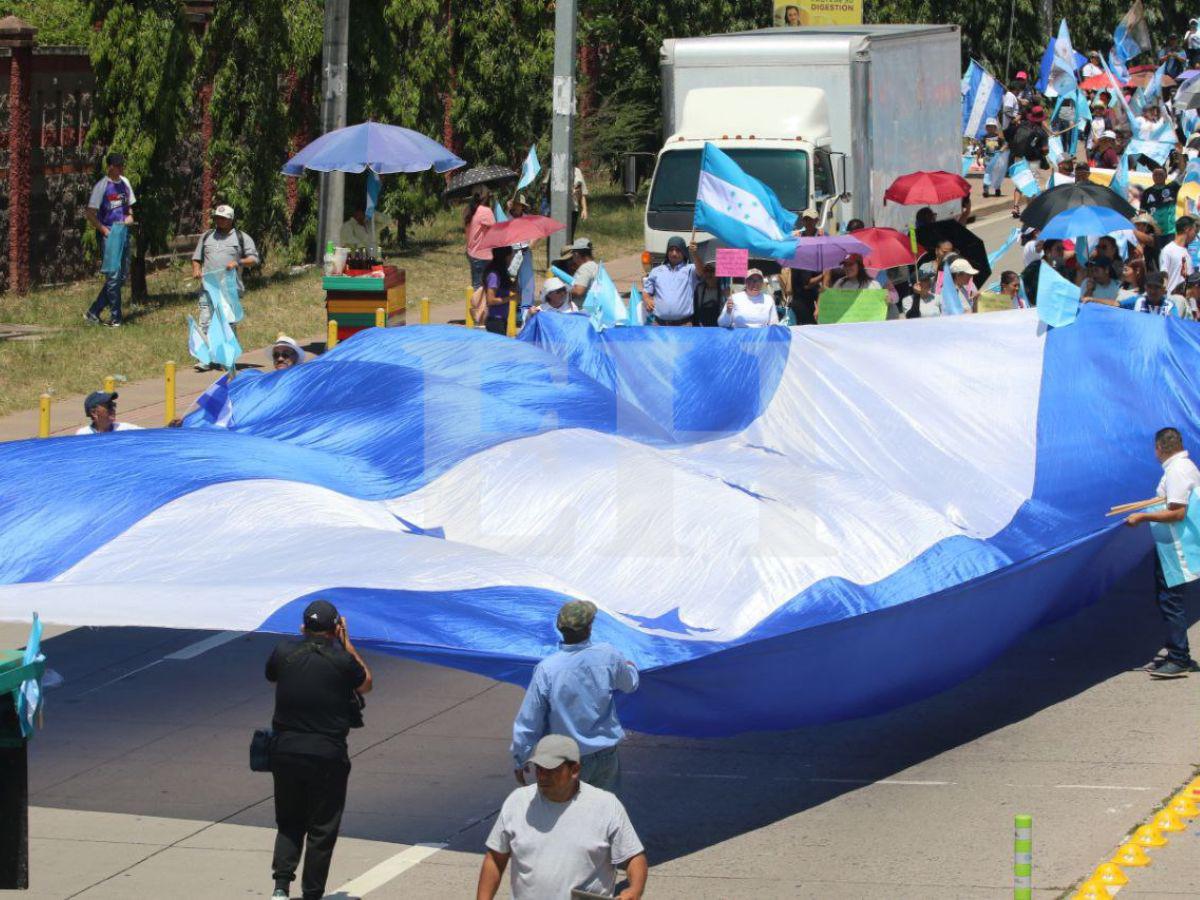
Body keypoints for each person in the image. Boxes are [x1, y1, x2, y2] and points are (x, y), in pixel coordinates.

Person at [265, 599, 372, 900]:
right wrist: (347, 644)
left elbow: (273, 676)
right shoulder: (341, 660)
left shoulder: (284, 652)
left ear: (303, 626)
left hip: (285, 750)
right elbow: (366, 684)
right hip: (327, 754)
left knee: (289, 821)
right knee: (322, 829)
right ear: (335, 627)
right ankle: (311, 893)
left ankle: (281, 887)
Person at [478, 734, 648, 900]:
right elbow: (495, 859)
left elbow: (634, 858)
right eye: (539, 769)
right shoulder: (518, 802)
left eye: (551, 770)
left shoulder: (606, 806)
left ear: (574, 770)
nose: (542, 776)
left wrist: (635, 889)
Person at [510, 600, 639, 794]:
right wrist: (631, 668)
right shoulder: (608, 656)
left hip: (567, 760)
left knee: (570, 818)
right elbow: (629, 684)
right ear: (589, 629)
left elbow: (530, 720)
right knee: (604, 815)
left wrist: (521, 758)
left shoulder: (548, 669)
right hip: (605, 755)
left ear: (560, 629)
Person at [1124, 428, 1200, 678]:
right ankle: (1177, 652)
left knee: (1171, 601)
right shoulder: (1183, 466)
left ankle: (1179, 657)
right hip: (1171, 545)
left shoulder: (1177, 470)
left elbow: (1177, 512)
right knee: (1168, 599)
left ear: (1159, 448)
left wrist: (1143, 516)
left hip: (1177, 547)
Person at [191, 204, 259, 370]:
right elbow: (196, 258)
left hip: (229, 289)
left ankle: (227, 358)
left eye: (223, 218)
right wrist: (196, 269)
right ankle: (206, 359)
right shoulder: (207, 236)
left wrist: (238, 262)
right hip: (208, 288)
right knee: (206, 321)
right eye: (217, 218)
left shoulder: (241, 237)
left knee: (227, 323)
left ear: (231, 220)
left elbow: (254, 259)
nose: (219, 221)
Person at [84, 152, 136, 328]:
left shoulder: (125, 183)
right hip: (110, 234)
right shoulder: (102, 186)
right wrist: (105, 230)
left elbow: (130, 212)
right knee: (113, 276)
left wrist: (128, 221)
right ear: (110, 166)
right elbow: (90, 213)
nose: (121, 168)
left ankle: (93, 311)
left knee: (122, 277)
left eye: (122, 165)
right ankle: (116, 318)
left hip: (124, 232)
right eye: (118, 165)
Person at [642, 235, 699, 325]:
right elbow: (646, 291)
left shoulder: (690, 270)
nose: (674, 254)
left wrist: (695, 254)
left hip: (683, 326)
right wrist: (647, 299)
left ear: (684, 252)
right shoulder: (656, 271)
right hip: (659, 324)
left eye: (678, 250)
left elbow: (702, 272)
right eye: (671, 250)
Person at [506, 195, 537, 318]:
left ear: (522, 206)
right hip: (510, 253)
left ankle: (526, 310)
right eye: (515, 204)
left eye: (519, 204)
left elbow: (536, 235)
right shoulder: (506, 218)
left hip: (525, 252)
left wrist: (531, 245)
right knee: (512, 281)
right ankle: (512, 308)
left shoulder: (528, 220)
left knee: (527, 281)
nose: (516, 207)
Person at [473, 246, 515, 334]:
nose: (512, 260)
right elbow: (491, 300)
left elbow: (512, 287)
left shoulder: (502, 273)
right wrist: (510, 298)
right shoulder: (494, 275)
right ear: (506, 257)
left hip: (502, 319)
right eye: (511, 257)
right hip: (495, 320)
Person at [464, 186, 495, 289]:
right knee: (488, 286)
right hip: (485, 255)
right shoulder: (485, 211)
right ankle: (484, 305)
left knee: (477, 286)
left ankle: (477, 305)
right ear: (486, 197)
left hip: (472, 252)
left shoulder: (468, 211)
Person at [1158, 215, 1196, 295]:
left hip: (1185, 301)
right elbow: (1164, 275)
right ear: (1187, 229)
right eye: (1194, 231)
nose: (1195, 235)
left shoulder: (1187, 252)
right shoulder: (1168, 250)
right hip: (1171, 299)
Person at [74, 391, 142, 435]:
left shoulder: (126, 429)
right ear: (94, 412)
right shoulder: (83, 435)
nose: (113, 409)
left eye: (114, 405)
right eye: (109, 406)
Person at [1021, 238, 1066, 303]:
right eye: (1058, 249)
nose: (1062, 252)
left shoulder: (1060, 268)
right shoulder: (1034, 268)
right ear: (1048, 252)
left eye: (1063, 249)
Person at [1142, 167, 1181, 239]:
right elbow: (1142, 212)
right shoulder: (1146, 192)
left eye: (1160, 174)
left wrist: (1180, 155)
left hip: (1170, 233)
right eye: (1155, 174)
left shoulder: (1172, 188)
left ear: (1166, 176)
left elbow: (1183, 172)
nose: (1157, 177)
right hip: (1152, 233)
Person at [693, 255, 727, 327]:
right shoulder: (699, 288)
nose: (708, 274)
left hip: (719, 328)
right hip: (702, 328)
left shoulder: (724, 290)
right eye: (706, 271)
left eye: (711, 271)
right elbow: (695, 311)